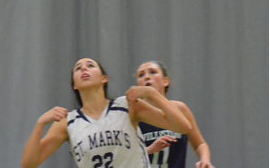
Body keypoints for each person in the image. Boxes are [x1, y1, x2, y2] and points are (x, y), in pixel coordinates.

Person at [21, 58, 192, 168]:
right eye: (78, 68)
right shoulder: (68, 122)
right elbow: (28, 164)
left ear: (104, 79)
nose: (84, 69)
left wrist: (153, 94)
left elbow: (183, 127)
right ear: (74, 84)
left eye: (90, 65)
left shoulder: (127, 106)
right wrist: (40, 124)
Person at [135, 61, 215, 168]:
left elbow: (199, 144)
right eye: (141, 75)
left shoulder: (180, 109)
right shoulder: (133, 113)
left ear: (165, 81)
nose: (146, 77)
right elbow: (123, 154)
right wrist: (149, 150)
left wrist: (205, 160)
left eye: (153, 72)